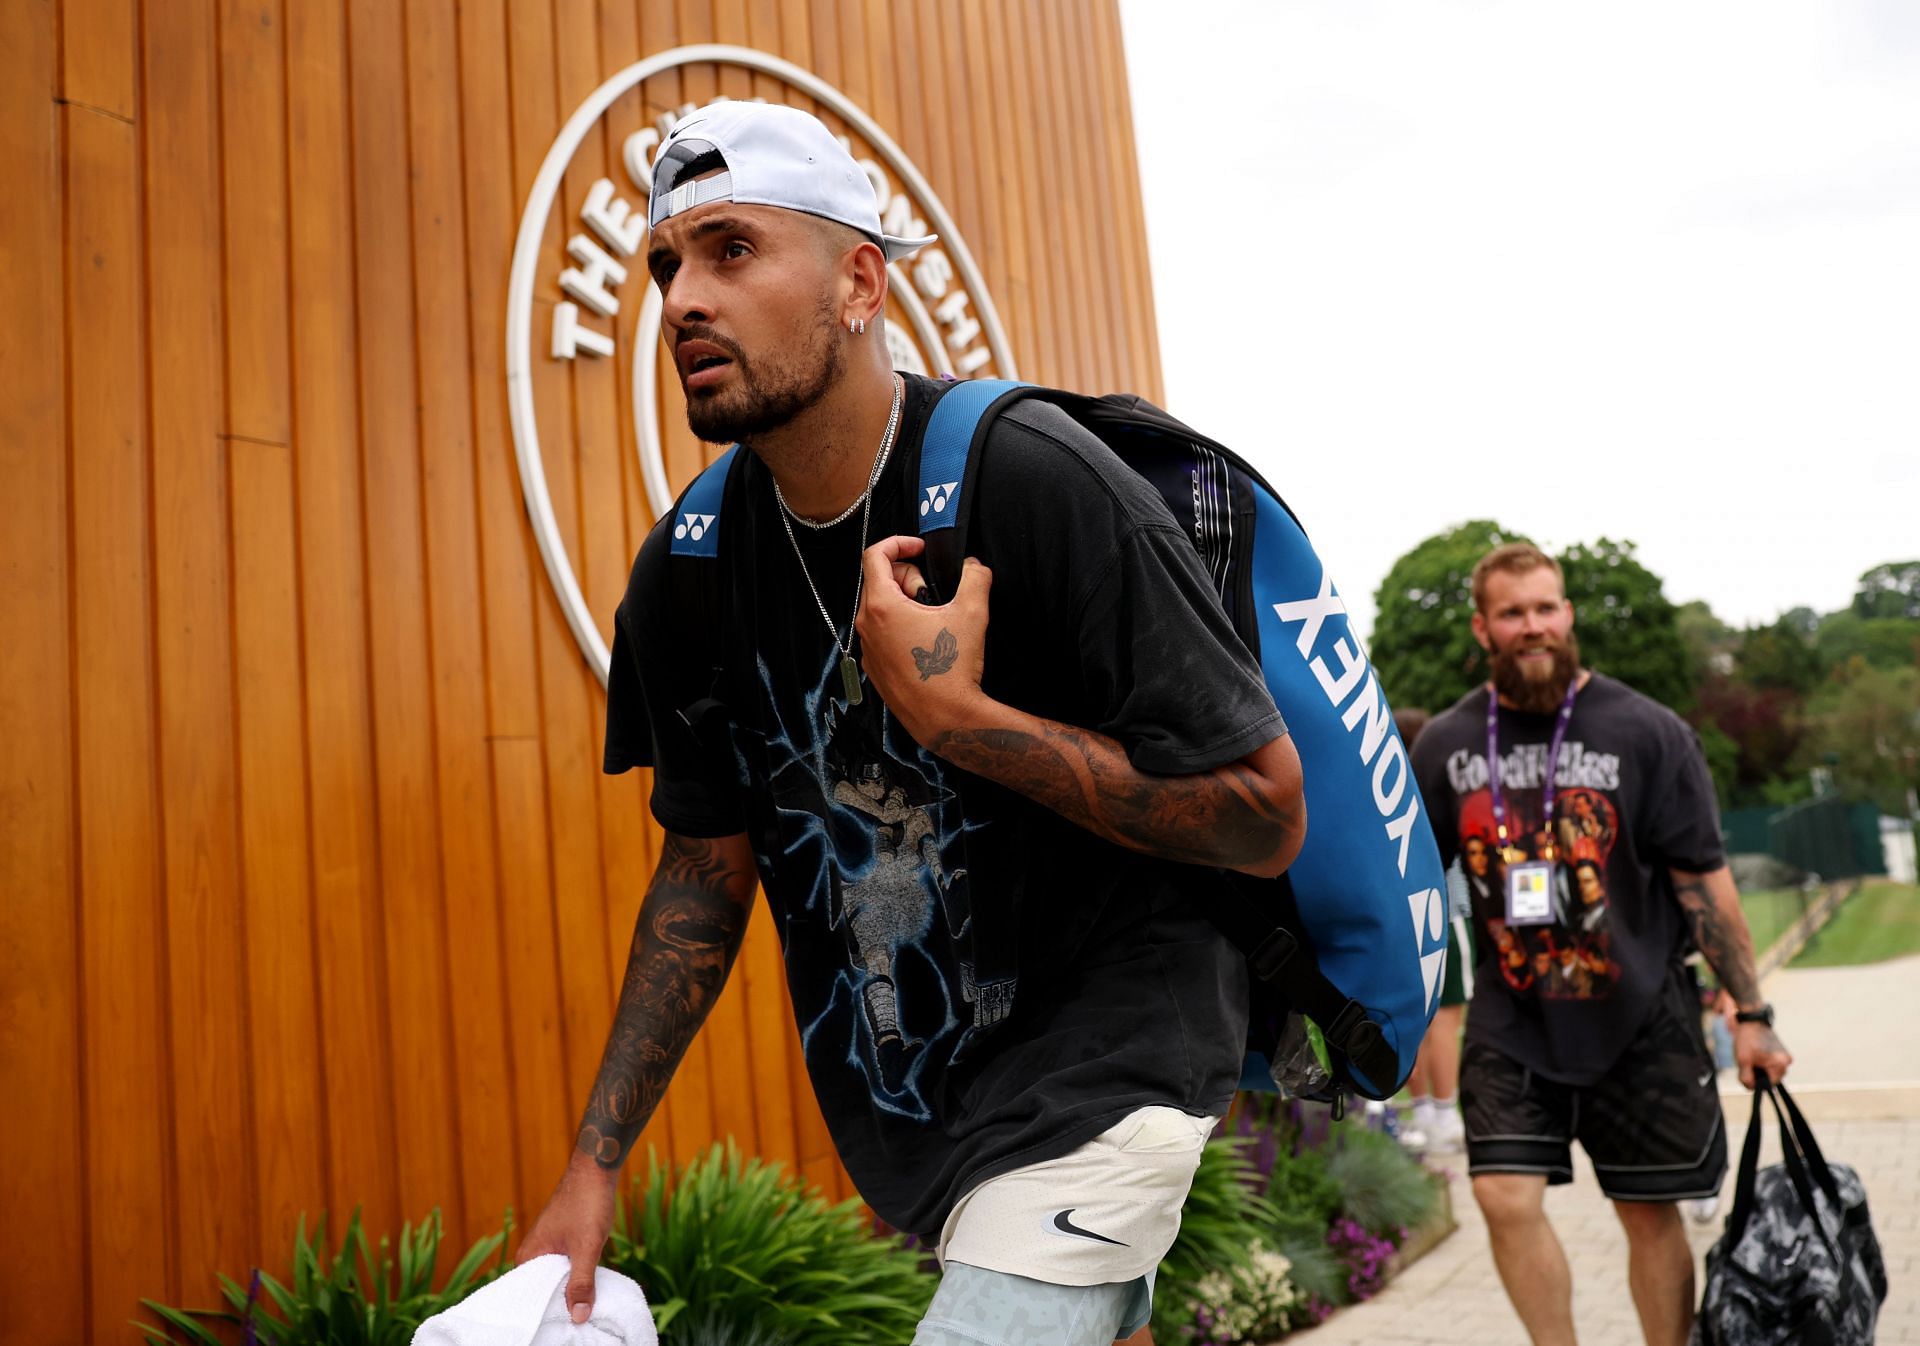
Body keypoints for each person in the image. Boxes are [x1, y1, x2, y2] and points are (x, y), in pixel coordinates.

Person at [514, 100, 1306, 1346]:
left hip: (1119, 1051)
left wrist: (958, 719)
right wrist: (594, 1163)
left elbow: (1263, 813)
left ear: (860, 283)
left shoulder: (1030, 475)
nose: (680, 299)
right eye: (667, 264)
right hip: (931, 1109)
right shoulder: (690, 567)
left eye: (731, 250)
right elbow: (704, 870)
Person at [1408, 542, 1790, 1346]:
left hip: (1641, 1018)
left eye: (1546, 607)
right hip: (1513, 1020)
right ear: (1484, 628)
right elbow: (1406, 880)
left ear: (1569, 615)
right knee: (1504, 1198)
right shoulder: (1445, 744)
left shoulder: (1648, 731)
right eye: (1512, 613)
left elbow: (1704, 882)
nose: (1533, 626)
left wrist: (1751, 1011)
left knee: (1649, 1215)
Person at [1394, 707, 1467, 1152]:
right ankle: (1446, 1116)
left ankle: (1422, 1113)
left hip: (1402, 913)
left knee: (1417, 1020)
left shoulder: (1387, 789)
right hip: (1447, 909)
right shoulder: (1433, 785)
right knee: (1447, 1019)